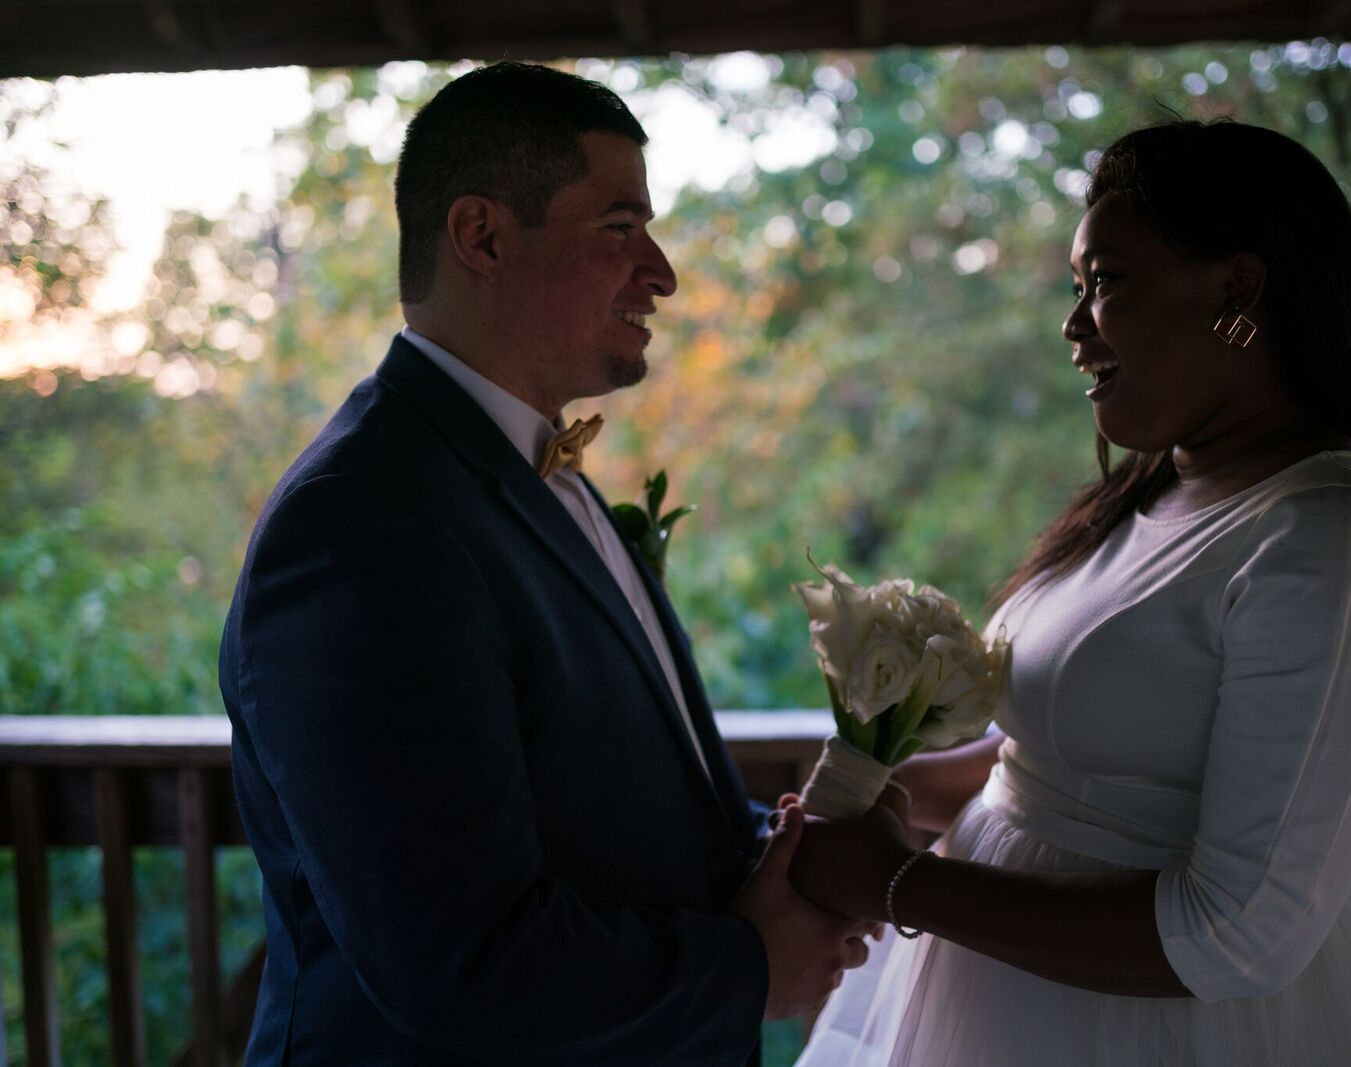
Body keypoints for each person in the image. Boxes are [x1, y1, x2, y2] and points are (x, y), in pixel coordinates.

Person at [787, 120, 1351, 1066]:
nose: (1074, 327)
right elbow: (1054, 775)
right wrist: (890, 793)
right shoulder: (1146, 495)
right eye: (1077, 288)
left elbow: (1238, 931)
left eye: (1104, 282)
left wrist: (902, 885)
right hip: (1002, 1004)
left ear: (1237, 291)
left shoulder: (1340, 538)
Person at [219, 61, 869, 1065]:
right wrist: (746, 967)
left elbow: (585, 804)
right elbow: (455, 954)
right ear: (481, 235)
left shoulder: (534, 472)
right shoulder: (362, 524)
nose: (660, 271)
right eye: (618, 229)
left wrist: (783, 846)